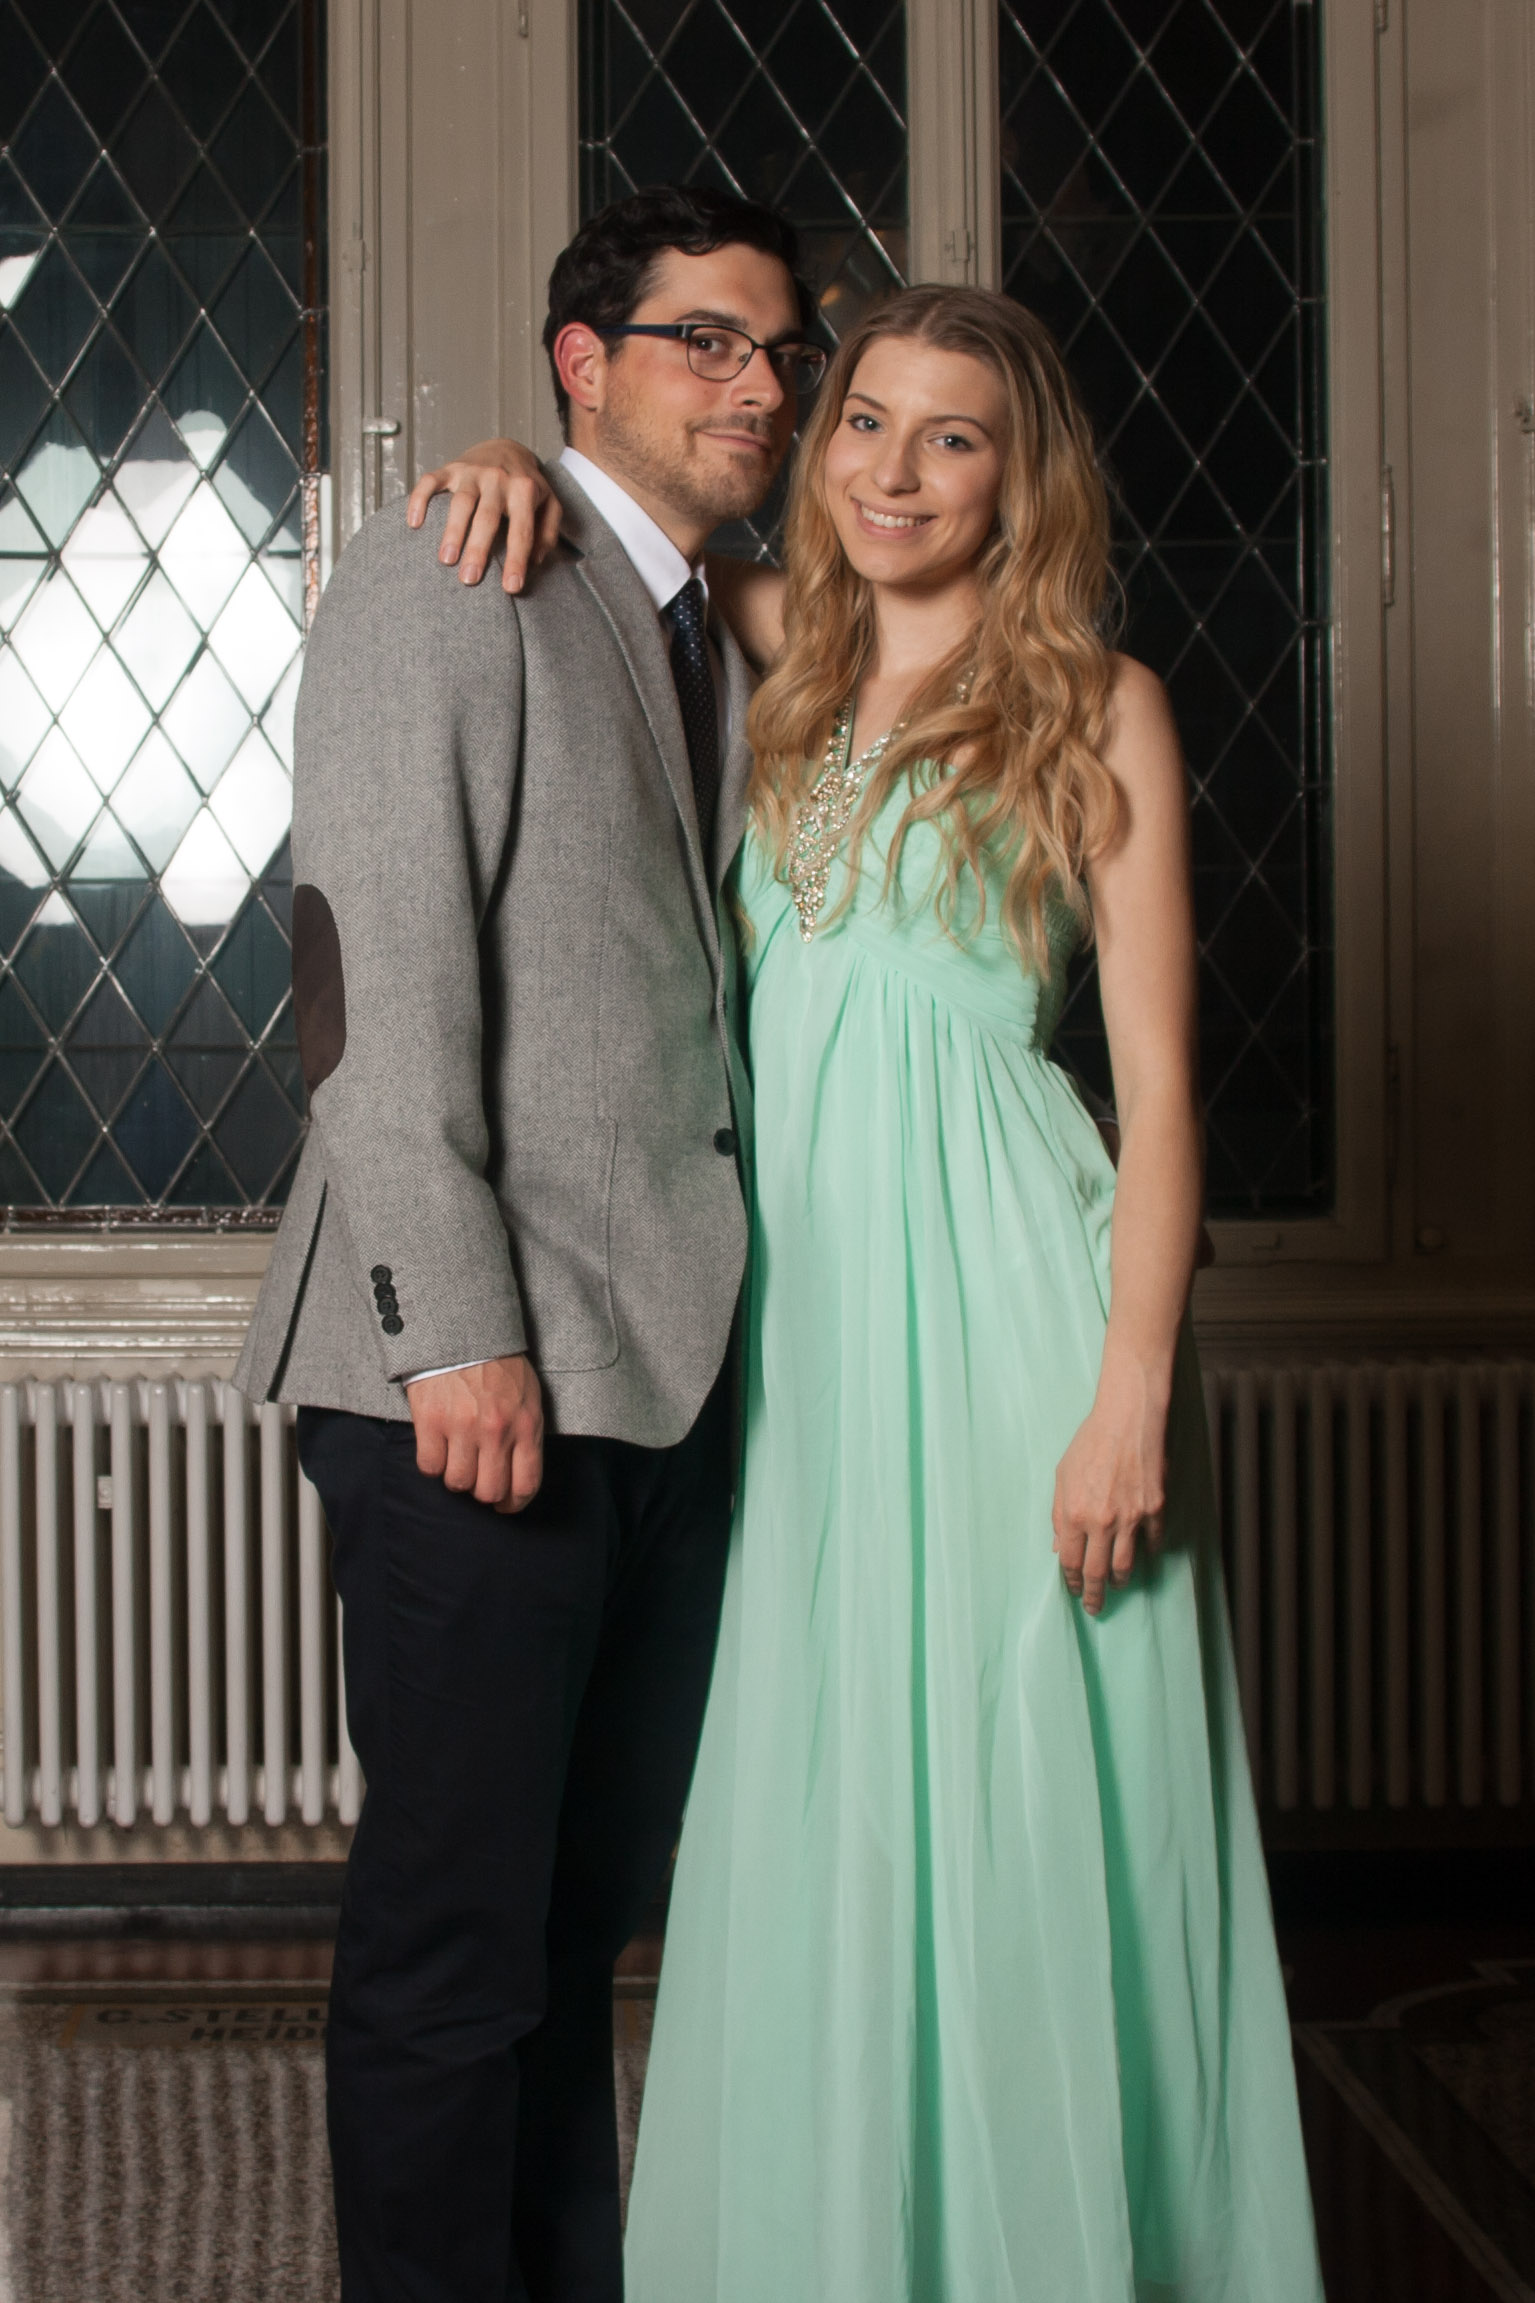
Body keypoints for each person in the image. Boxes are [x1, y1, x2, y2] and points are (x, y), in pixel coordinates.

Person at [415, 282, 1324, 2302]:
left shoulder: (1099, 703)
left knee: (1020, 1795)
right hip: (811, 1333)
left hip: (1015, 1319)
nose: (895, 471)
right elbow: (610, 533)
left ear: (1022, 479)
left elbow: (1162, 1094)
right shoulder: (777, 654)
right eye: (867, 423)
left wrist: (1129, 1398)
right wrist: (506, 465)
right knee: (831, 1797)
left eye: (953, 436)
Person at [234, 184, 828, 2303]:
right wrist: (453, 1335)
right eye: (704, 340)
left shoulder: (713, 619)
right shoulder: (449, 570)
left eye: (782, 351)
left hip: (657, 1370)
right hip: (472, 1380)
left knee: (580, 1937)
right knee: (456, 1943)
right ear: (584, 361)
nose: (758, 385)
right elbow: (367, 984)